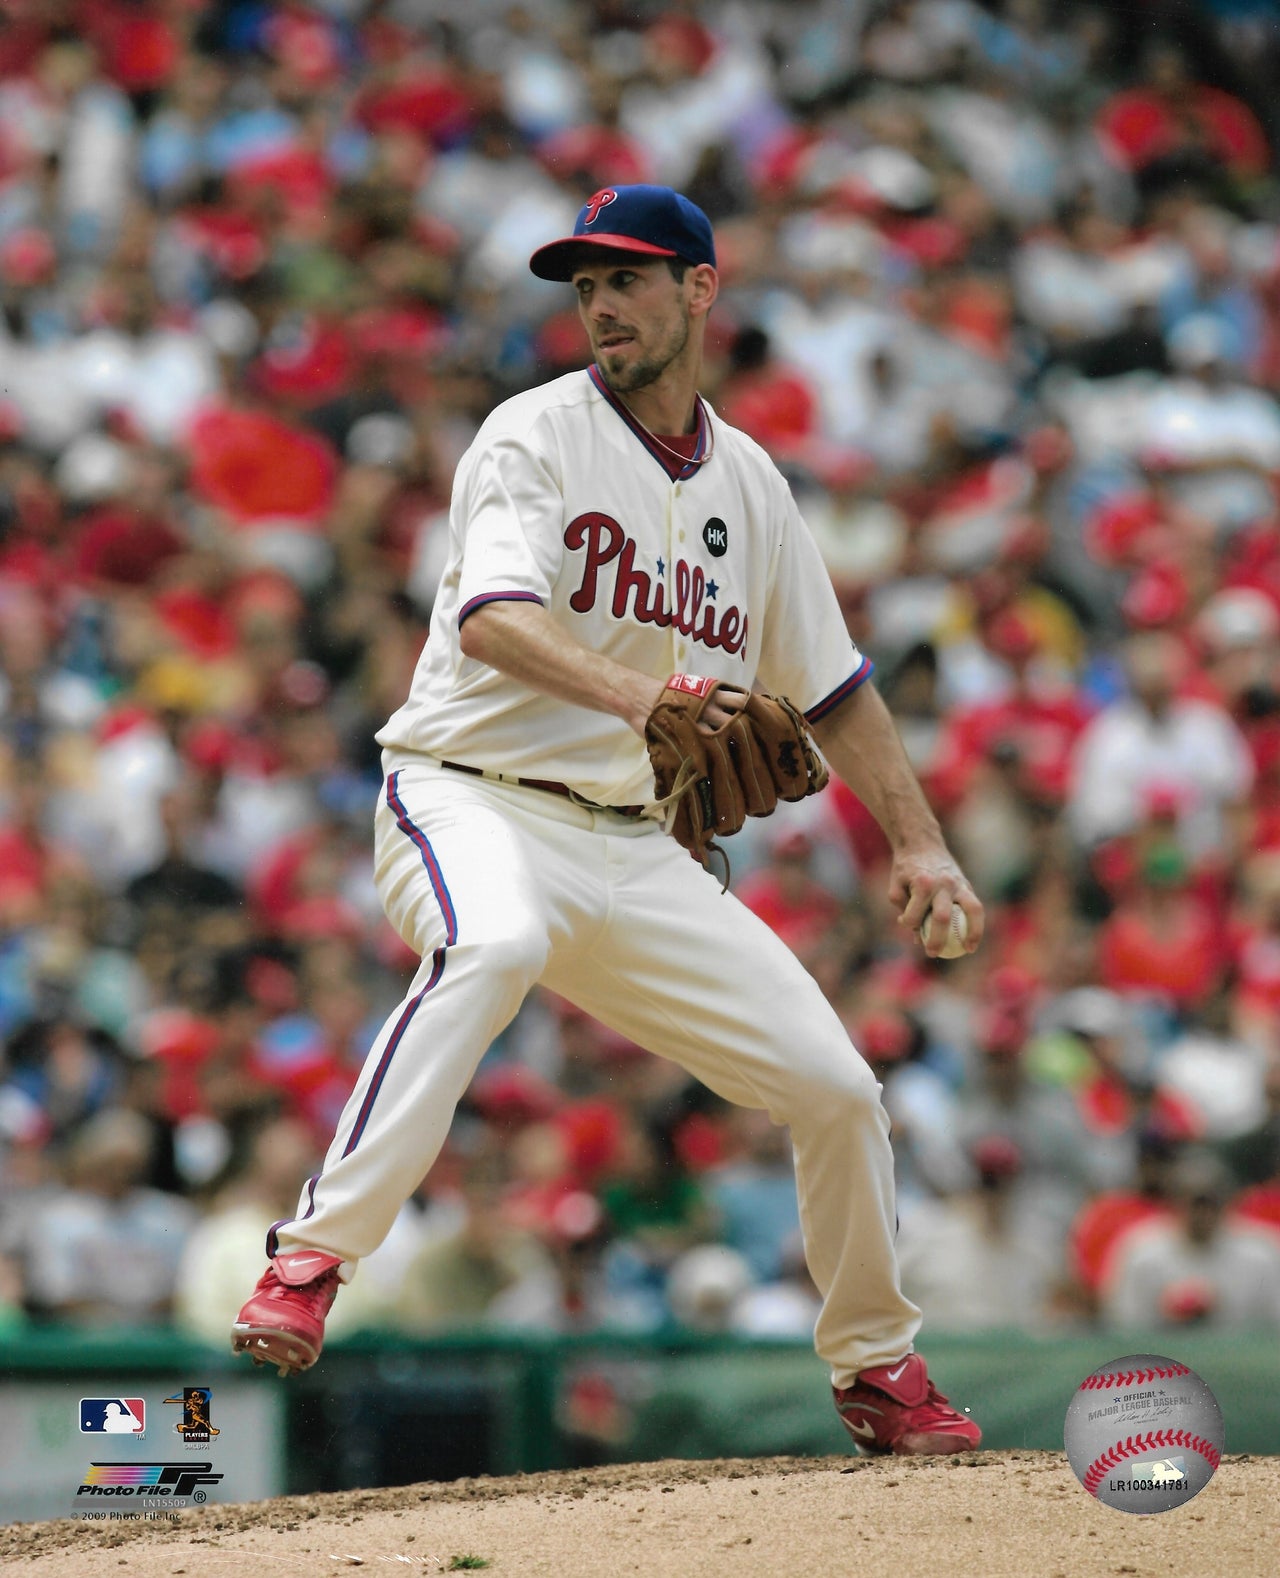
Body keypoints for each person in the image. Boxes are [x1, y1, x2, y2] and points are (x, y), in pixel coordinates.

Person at [231, 184, 986, 1456]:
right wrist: (650, 693)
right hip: (466, 794)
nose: (599, 307)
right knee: (497, 944)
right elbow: (490, 620)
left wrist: (917, 839)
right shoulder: (532, 436)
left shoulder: (749, 485)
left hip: (630, 846)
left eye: (626, 280)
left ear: (699, 289)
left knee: (836, 1089)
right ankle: (310, 1260)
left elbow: (838, 690)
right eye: (584, 287)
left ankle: (877, 1368)